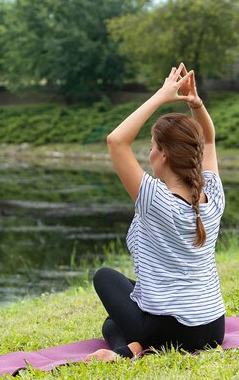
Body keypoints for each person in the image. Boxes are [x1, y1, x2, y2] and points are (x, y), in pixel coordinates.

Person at [87, 63, 226, 362]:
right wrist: (196, 103)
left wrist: (162, 96)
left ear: (163, 153)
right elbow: (210, 139)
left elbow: (116, 141)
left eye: (151, 147)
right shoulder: (212, 196)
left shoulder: (156, 200)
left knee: (105, 279)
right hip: (215, 328)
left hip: (174, 331)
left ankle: (128, 350)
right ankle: (135, 345)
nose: (148, 155)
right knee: (116, 316)